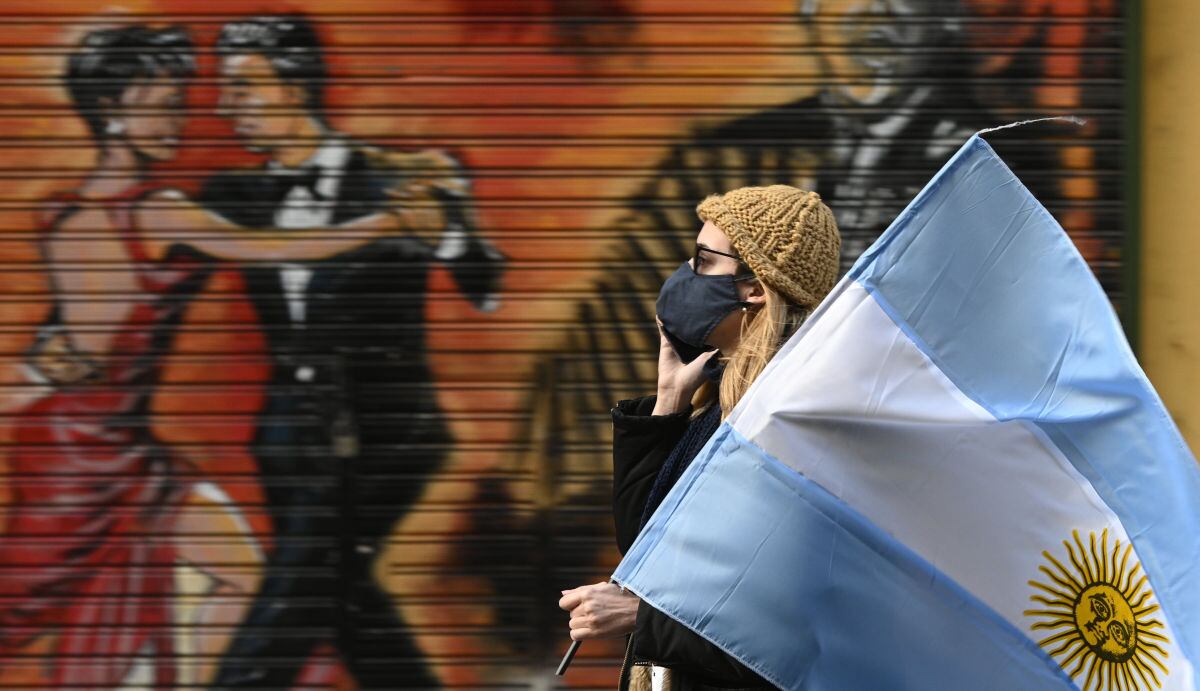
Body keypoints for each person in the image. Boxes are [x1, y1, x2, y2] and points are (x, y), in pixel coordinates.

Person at [0, 24, 429, 688]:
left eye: (179, 100)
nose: (178, 118)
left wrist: (48, 362)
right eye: (160, 103)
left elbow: (72, 338)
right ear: (113, 111)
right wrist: (390, 222)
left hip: (109, 445)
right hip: (82, 454)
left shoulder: (67, 211)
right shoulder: (159, 212)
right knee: (34, 599)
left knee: (239, 573)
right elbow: (276, 248)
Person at [198, 14, 505, 688]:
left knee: (303, 584)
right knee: (341, 594)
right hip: (289, 440)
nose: (227, 107)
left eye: (244, 88)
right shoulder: (231, 195)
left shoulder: (399, 179)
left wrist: (445, 234)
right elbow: (154, 283)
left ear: (295, 85)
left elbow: (484, 286)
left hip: (389, 437)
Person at [559, 185, 842, 689]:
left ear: (756, 287)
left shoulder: (786, 423)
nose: (685, 274)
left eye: (703, 260)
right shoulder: (717, 405)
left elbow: (797, 627)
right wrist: (667, 403)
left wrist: (640, 618)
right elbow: (643, 546)